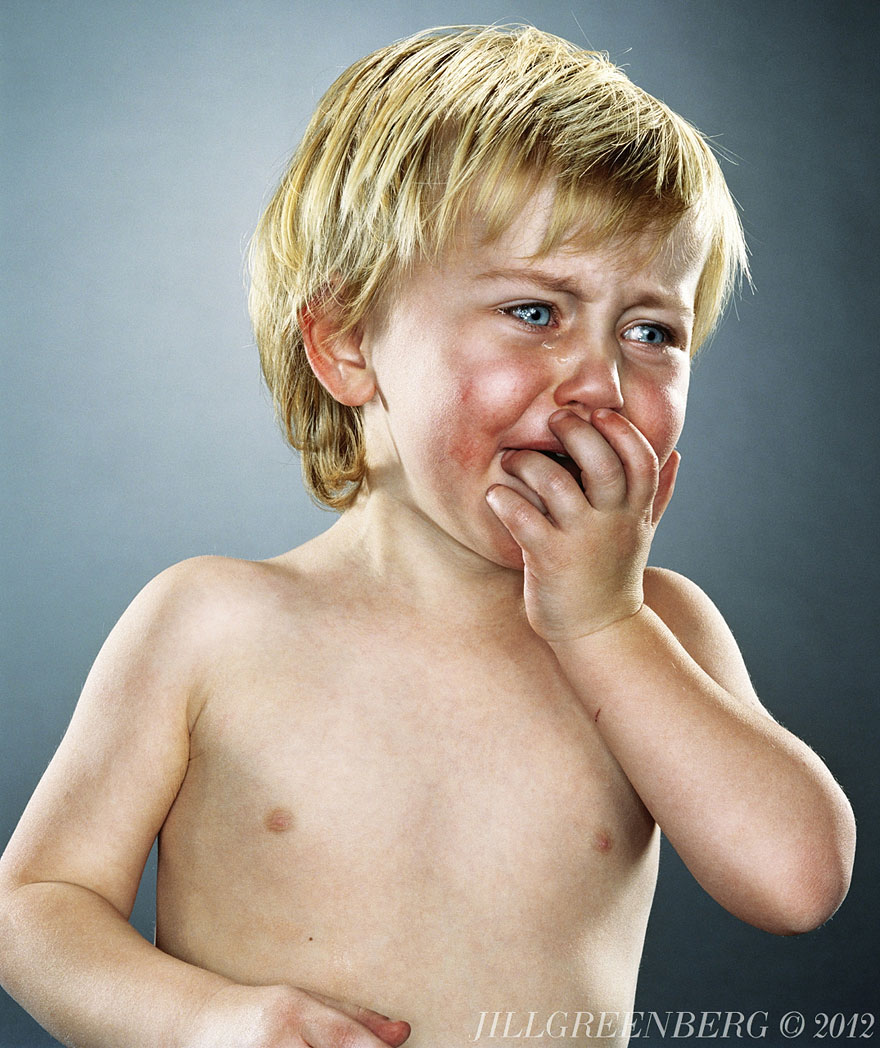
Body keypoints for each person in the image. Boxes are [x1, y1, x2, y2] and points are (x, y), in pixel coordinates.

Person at [0, 24, 856, 1048]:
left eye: (650, 331)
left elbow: (796, 882)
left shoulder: (657, 628)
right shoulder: (215, 623)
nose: (600, 379)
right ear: (349, 345)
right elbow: (34, 905)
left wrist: (602, 624)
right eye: (536, 310)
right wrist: (210, 1022)